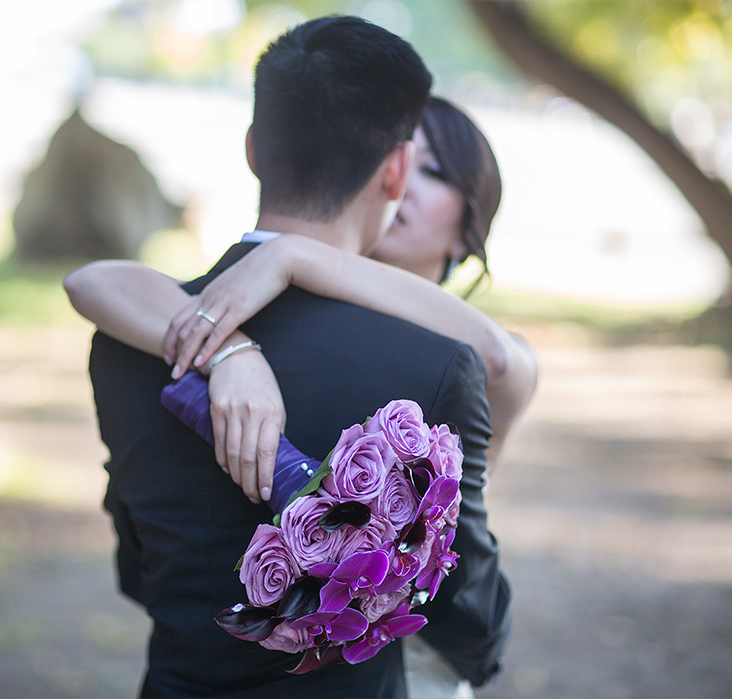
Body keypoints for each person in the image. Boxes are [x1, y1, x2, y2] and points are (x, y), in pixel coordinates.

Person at [76, 15, 510, 696]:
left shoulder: (131, 335)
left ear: (253, 148)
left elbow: (139, 569)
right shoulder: (436, 365)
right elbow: (465, 616)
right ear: (394, 170)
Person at [68, 97, 537, 502]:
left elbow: (498, 358)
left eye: (433, 171)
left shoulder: (485, 351)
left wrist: (295, 253)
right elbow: (93, 281)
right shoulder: (282, 307)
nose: (405, 181)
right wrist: (231, 352)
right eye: (395, 159)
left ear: (469, 232)